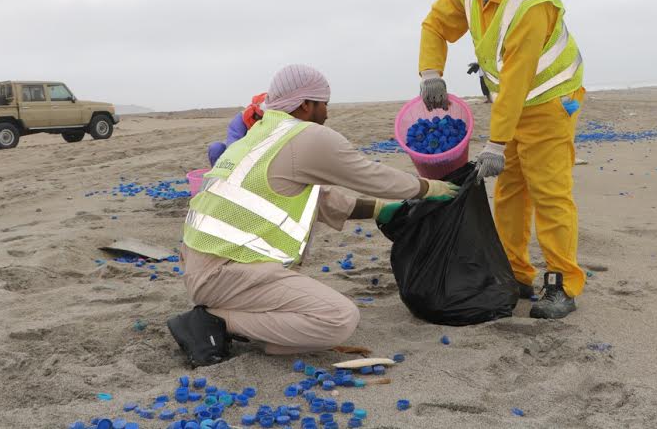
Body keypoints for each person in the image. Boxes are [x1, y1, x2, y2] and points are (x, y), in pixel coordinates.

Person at [169, 64, 459, 360]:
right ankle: (216, 321)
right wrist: (428, 188)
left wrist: (380, 210)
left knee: (297, 334)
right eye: (324, 104)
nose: (327, 113)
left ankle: (237, 318)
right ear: (306, 104)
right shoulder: (305, 137)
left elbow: (319, 199)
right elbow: (370, 175)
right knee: (339, 318)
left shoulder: (260, 135)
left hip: (201, 267)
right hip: (224, 274)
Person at [418, 0, 585, 319]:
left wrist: (496, 144)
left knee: (549, 193)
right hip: (511, 106)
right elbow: (435, 24)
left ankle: (562, 284)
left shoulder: (529, 3)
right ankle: (516, 273)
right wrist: (431, 72)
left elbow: (516, 79)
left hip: (548, 103)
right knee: (511, 193)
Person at [206, 92, 267, 166]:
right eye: (258, 117)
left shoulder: (275, 120)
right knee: (216, 148)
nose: (259, 120)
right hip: (240, 152)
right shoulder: (241, 119)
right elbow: (233, 145)